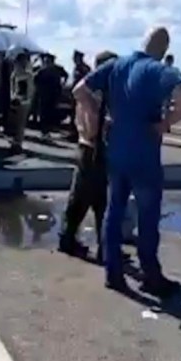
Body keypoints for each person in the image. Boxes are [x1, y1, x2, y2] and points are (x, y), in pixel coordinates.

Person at [73, 27, 181, 295]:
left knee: (113, 210)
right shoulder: (159, 70)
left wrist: (99, 115)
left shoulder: (118, 64)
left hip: (116, 149)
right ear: (164, 49)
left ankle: (113, 272)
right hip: (144, 153)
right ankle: (151, 274)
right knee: (147, 214)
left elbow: (80, 90)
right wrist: (166, 123)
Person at [58, 50, 118, 260]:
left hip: (88, 148)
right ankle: (98, 246)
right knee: (97, 201)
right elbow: (92, 126)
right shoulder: (93, 92)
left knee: (83, 199)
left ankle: (71, 239)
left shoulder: (93, 89)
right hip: (93, 148)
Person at [33, 53, 68, 140]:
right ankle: (45, 131)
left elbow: (66, 75)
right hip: (44, 95)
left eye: (48, 60)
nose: (47, 61)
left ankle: (46, 131)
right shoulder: (42, 70)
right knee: (44, 114)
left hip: (51, 95)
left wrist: (63, 83)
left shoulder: (55, 69)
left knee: (48, 114)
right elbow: (34, 79)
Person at [9, 49, 35, 153]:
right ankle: (16, 142)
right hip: (18, 100)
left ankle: (17, 143)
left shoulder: (25, 74)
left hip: (22, 101)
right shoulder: (17, 74)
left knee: (19, 124)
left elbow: (30, 90)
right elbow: (13, 88)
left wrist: (26, 99)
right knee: (17, 124)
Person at [68, 50, 91, 141]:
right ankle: (72, 133)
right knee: (73, 114)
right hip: (75, 93)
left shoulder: (84, 68)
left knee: (79, 114)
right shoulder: (76, 68)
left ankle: (76, 134)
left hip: (81, 95)